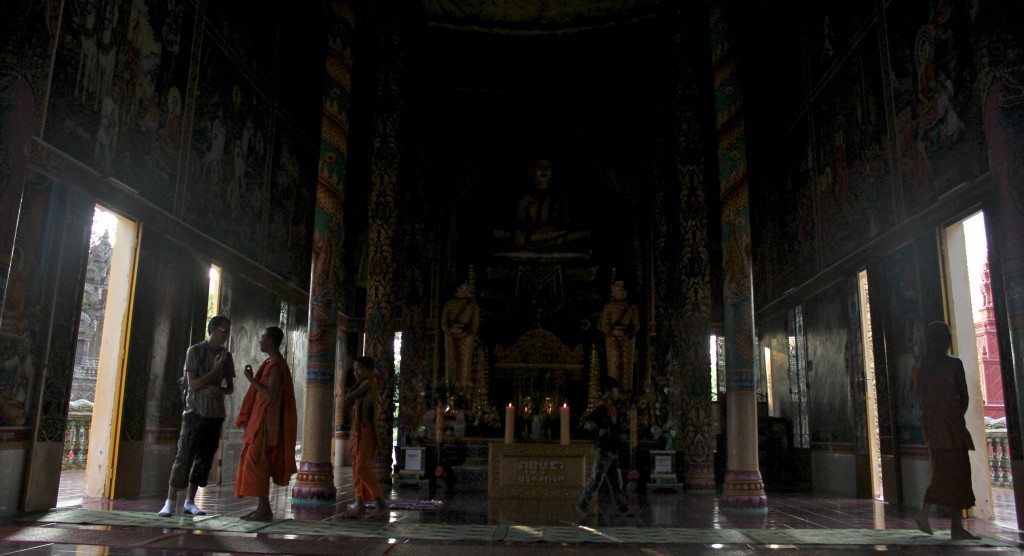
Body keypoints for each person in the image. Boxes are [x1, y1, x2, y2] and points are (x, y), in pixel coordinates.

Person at [158, 315, 236, 517]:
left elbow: (230, 388)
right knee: (184, 456)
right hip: (194, 412)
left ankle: (190, 502)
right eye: (223, 330)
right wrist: (214, 371)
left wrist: (218, 389)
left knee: (205, 458)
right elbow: (192, 384)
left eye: (228, 331)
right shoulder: (195, 351)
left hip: (215, 414)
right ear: (213, 329)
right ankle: (170, 501)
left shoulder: (226, 357)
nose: (226, 335)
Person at [913, 321, 979, 540]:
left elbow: (922, 397)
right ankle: (930, 516)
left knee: (953, 472)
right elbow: (963, 398)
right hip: (943, 426)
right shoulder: (945, 365)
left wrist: (947, 417)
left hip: (942, 425)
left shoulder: (935, 365)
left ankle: (955, 525)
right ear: (939, 341)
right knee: (948, 472)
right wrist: (949, 417)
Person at [234, 326, 297, 521]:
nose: (260, 341)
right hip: (259, 422)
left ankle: (264, 509)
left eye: (262, 338)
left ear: (270, 341)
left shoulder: (277, 366)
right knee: (254, 464)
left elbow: (269, 394)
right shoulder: (270, 363)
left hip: (265, 425)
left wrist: (251, 379)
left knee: (256, 465)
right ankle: (263, 507)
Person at [340, 356, 388, 518]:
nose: (356, 373)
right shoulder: (362, 383)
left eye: (359, 370)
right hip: (357, 431)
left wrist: (353, 384)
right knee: (355, 469)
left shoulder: (368, 384)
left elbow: (348, 397)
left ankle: (380, 502)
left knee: (362, 468)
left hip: (367, 431)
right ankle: (359, 505)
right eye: (354, 370)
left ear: (369, 371)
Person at [576, 377, 631, 516]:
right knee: (596, 479)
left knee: (616, 481)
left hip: (613, 450)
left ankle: (623, 507)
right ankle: (582, 503)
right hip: (605, 450)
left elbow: (615, 427)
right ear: (609, 391)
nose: (617, 393)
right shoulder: (602, 408)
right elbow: (586, 423)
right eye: (615, 390)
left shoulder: (613, 408)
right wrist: (601, 430)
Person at [599, 279, 639, 390]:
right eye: (618, 285)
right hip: (612, 340)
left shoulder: (632, 308)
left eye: (623, 286)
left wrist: (627, 334)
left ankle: (626, 391)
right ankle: (613, 391)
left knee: (626, 366)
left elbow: (636, 324)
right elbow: (604, 324)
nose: (621, 288)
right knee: (613, 366)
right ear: (612, 288)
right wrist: (612, 332)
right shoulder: (608, 307)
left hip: (627, 340)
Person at [441, 280, 480, 393]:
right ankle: (450, 389)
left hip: (466, 338)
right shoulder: (449, 304)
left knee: (464, 364)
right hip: (451, 336)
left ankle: (463, 390)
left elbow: (474, 326)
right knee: (452, 362)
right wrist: (450, 330)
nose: (465, 289)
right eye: (463, 286)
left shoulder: (472, 306)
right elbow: (443, 323)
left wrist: (464, 333)